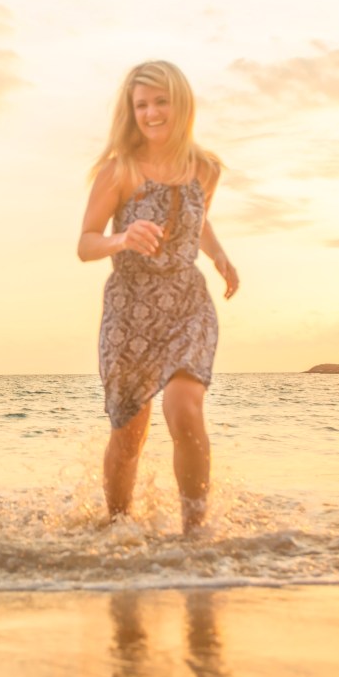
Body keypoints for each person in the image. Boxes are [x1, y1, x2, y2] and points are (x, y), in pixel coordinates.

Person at [77, 60, 239, 534]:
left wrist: (218, 254)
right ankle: (119, 529)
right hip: (130, 309)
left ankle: (195, 535)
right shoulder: (118, 171)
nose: (151, 113)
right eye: (142, 104)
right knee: (129, 435)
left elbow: (195, 216)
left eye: (160, 101)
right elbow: (86, 242)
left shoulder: (205, 169)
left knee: (184, 407)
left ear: (181, 103)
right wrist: (121, 239)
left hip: (186, 303)